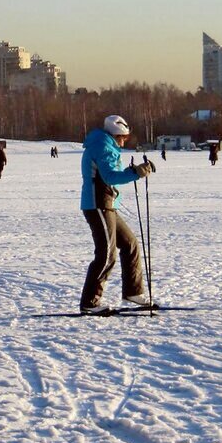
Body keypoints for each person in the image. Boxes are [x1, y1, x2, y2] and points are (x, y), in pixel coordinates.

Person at [80, 115, 154, 314]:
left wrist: (133, 171)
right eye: (122, 137)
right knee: (106, 254)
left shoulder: (106, 145)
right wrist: (135, 173)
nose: (124, 141)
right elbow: (110, 176)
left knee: (130, 243)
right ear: (115, 134)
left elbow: (110, 173)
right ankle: (90, 302)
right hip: (98, 205)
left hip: (107, 205)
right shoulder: (102, 146)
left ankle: (133, 292)